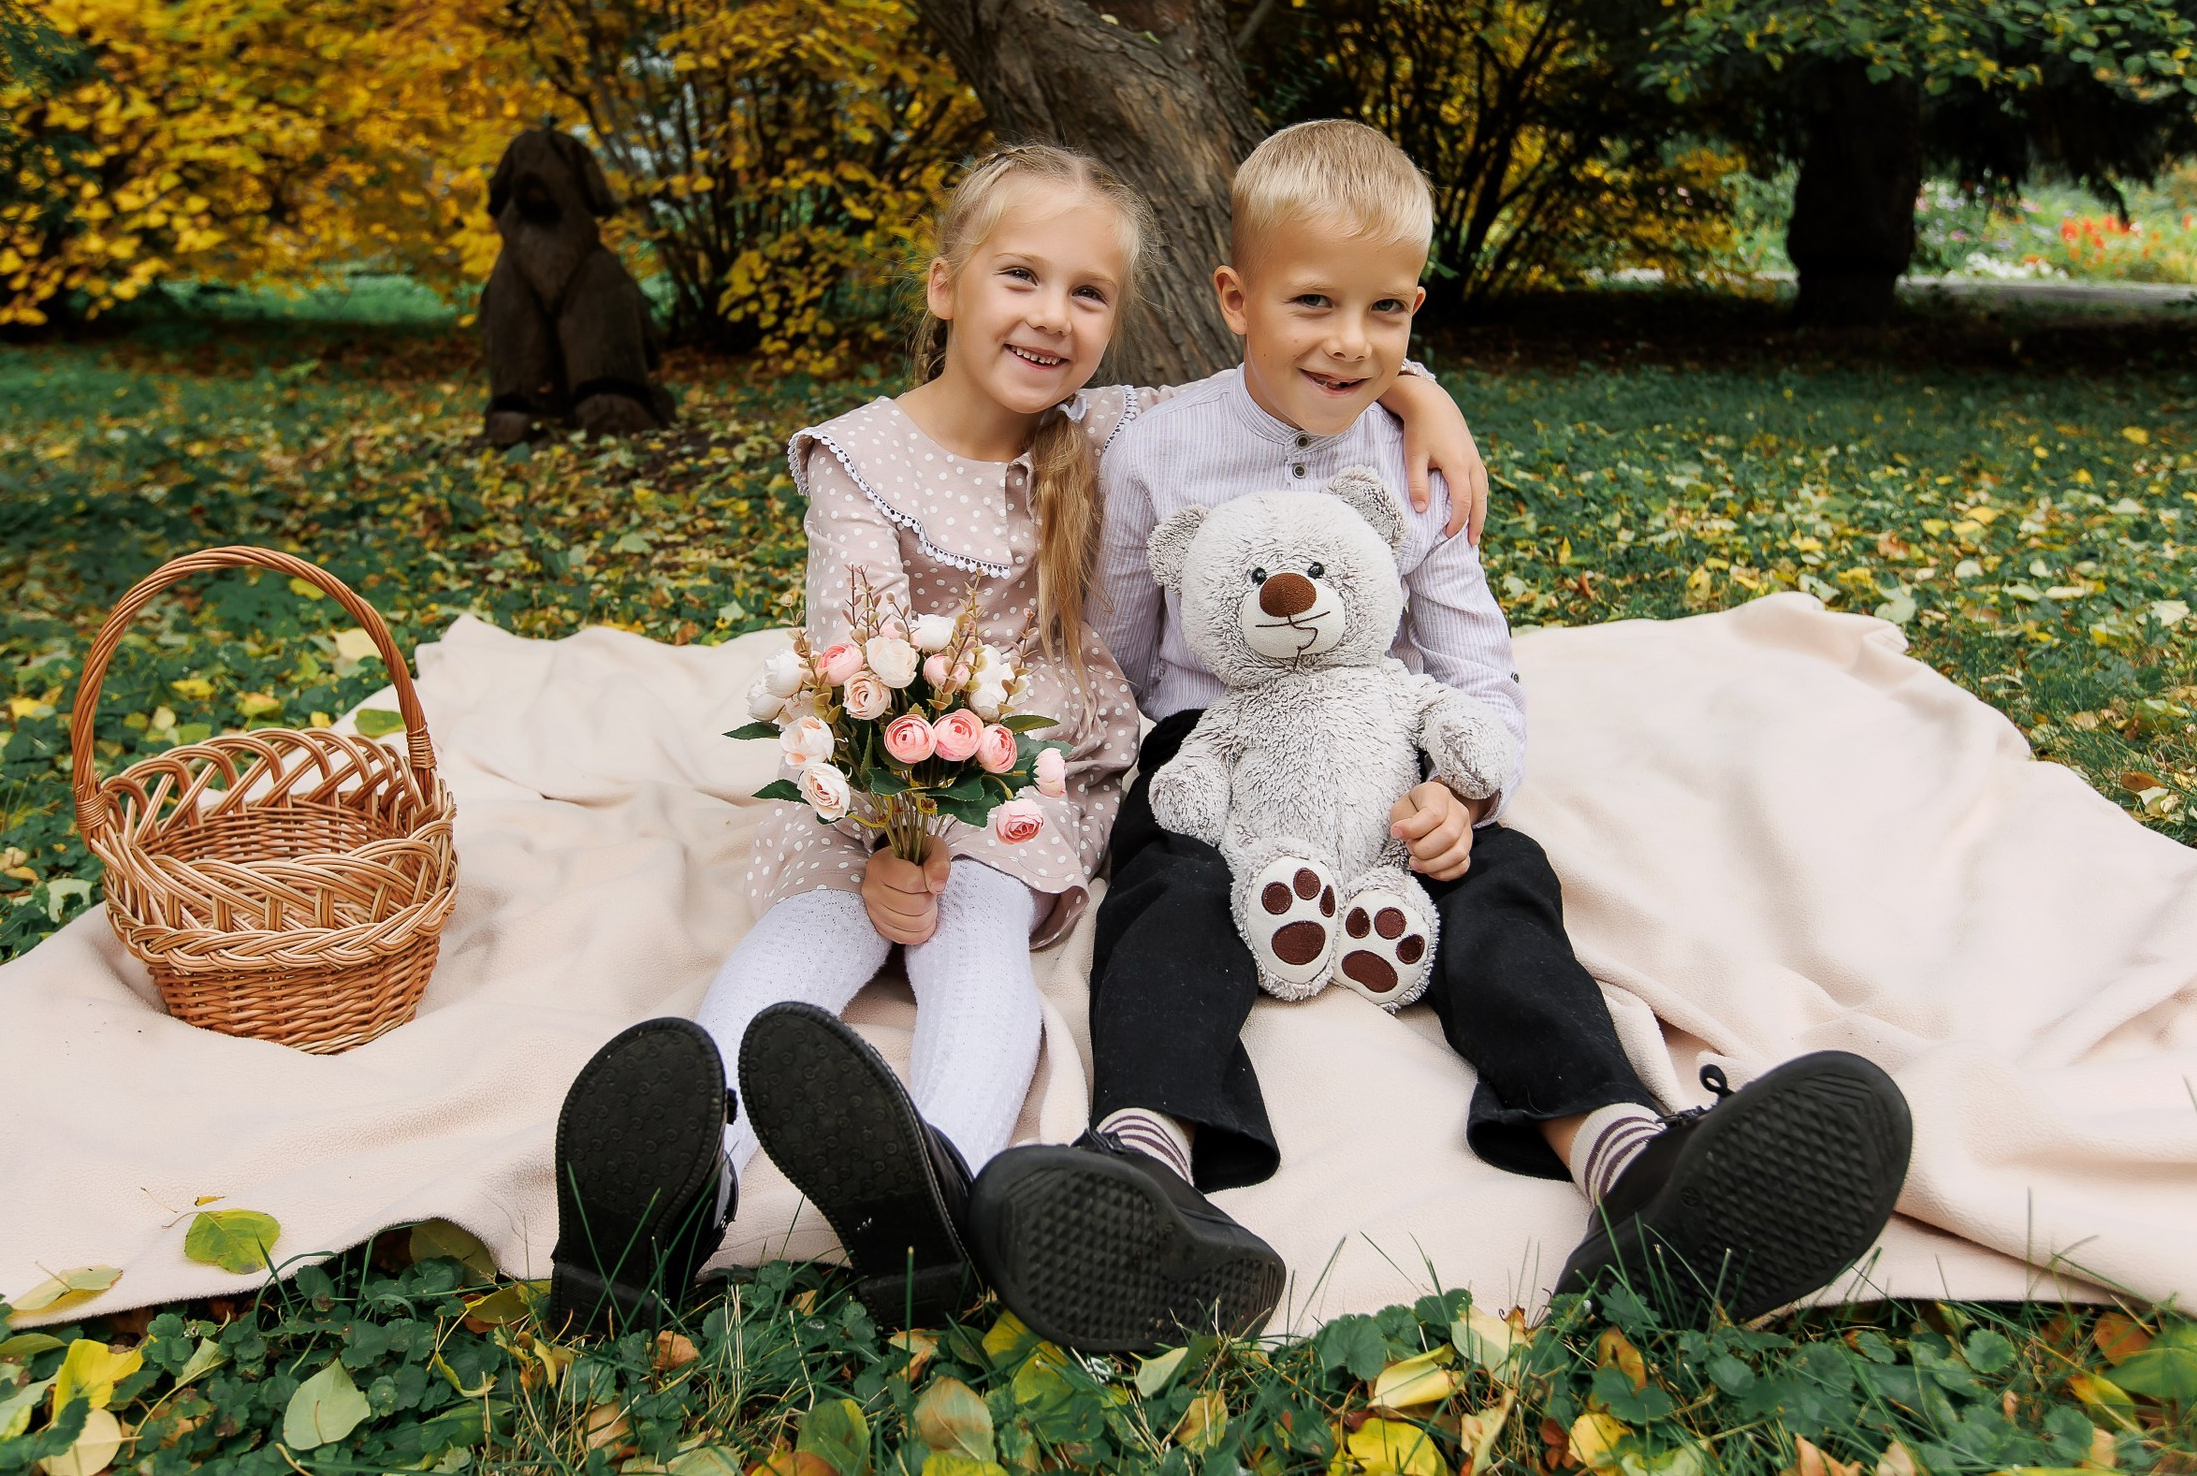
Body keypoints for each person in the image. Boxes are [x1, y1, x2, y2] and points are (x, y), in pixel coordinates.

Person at [963, 120, 1916, 1352]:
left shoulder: (1411, 458)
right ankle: (1147, 1169)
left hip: (1386, 748)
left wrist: (1463, 793)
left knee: (1503, 888)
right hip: (1221, 753)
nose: (1351, 344)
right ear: (1234, 298)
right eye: (1312, 303)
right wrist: (1151, 779)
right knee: (1166, 896)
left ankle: (1630, 1164)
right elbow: (1115, 656)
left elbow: (1475, 666)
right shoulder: (1154, 451)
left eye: (1388, 313)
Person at [547, 142, 1494, 1328]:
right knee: (814, 927)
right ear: (946, 284)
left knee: (978, 934)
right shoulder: (859, 458)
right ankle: (670, 1205)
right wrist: (894, 839)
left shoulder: (1095, 428)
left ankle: (930, 1199)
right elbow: (853, 662)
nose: (1052, 318)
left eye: (1087, 294)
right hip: (870, 770)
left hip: (1022, 776)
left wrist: (1417, 389)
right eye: (1022, 279)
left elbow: (1292, 378)